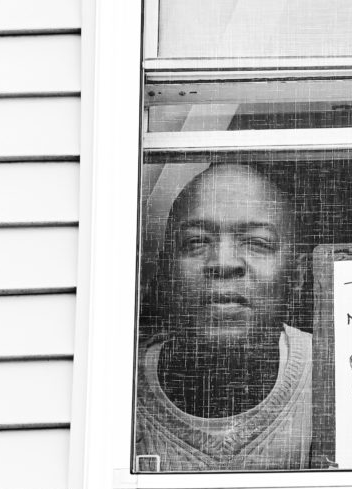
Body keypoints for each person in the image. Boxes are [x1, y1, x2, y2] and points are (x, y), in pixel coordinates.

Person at [134, 162, 312, 472]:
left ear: (296, 276)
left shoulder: (331, 376)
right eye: (197, 242)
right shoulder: (118, 392)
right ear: (164, 273)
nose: (223, 263)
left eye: (257, 243)